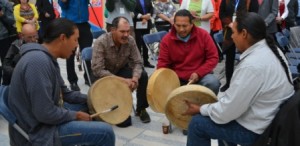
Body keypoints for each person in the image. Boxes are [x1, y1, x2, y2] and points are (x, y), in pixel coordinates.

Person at [184, 12, 295, 146]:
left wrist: (200, 109)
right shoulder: (271, 49)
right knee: (220, 118)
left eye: (233, 32)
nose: (231, 36)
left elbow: (225, 113)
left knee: (197, 124)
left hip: (260, 130)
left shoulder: (252, 66)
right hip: (272, 119)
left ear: (244, 33)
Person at [8, 18, 115, 146]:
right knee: (106, 133)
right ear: (63, 38)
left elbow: (66, 94)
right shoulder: (38, 62)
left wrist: (94, 98)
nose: (77, 45)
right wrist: (76, 116)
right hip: (38, 131)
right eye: (75, 40)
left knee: (90, 106)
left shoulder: (48, 58)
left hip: (44, 119)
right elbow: (45, 113)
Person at [92, 16, 151, 127]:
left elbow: (138, 62)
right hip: (103, 76)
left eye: (128, 31)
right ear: (112, 30)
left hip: (120, 70)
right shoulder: (101, 42)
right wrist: (123, 80)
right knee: (124, 123)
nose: (126, 35)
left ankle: (141, 109)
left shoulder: (130, 40)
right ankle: (111, 104)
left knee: (142, 75)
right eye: (122, 31)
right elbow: (98, 70)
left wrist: (134, 78)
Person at [157, 9, 220, 95]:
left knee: (213, 83)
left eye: (185, 26)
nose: (181, 29)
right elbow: (162, 64)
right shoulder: (166, 40)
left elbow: (213, 57)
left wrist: (199, 73)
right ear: (173, 24)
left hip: (200, 76)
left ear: (192, 24)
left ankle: (204, 108)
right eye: (178, 26)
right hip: (177, 77)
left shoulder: (203, 35)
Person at [219, 0, 258, 91]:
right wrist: (230, 24)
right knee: (229, 59)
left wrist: (240, 25)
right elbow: (222, 13)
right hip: (230, 32)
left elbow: (254, 15)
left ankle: (246, 84)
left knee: (247, 58)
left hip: (245, 32)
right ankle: (228, 83)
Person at [58, 0, 93, 91]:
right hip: (70, 24)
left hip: (84, 23)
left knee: (87, 52)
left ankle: (88, 77)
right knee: (70, 54)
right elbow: (62, 5)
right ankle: (72, 80)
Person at [0, 0, 18, 84]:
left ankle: (6, 88)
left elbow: (12, 21)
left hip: (4, 38)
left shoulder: (5, 4)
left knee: (6, 63)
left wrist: (3, 15)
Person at [133, 0, 155, 68]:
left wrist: (147, 16)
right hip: (137, 23)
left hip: (146, 23)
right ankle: (139, 63)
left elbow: (151, 9)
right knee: (138, 43)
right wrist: (142, 17)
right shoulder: (134, 1)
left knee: (145, 43)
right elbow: (133, 11)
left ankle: (146, 61)